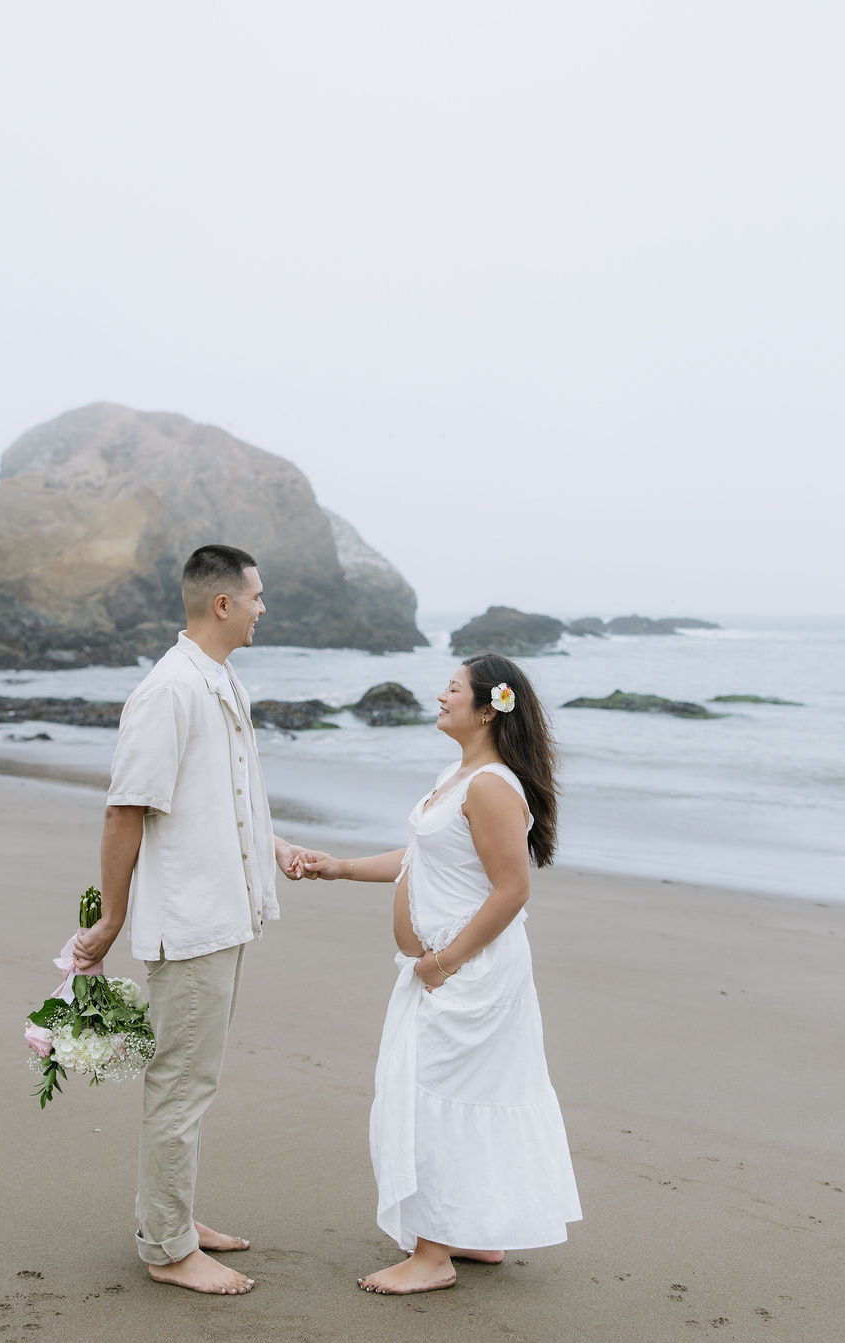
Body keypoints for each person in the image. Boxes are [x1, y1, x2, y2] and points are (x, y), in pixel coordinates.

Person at [298, 653, 582, 1295]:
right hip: (448, 970)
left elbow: (512, 890)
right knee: (461, 1093)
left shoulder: (491, 786)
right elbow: (421, 857)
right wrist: (338, 868)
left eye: (453, 688)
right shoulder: (458, 776)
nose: (440, 695)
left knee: (435, 1098)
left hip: (468, 974)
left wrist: (443, 962)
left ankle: (432, 1256)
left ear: (488, 708)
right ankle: (474, 1232)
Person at [73, 544, 310, 1297]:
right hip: (192, 921)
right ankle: (168, 1247)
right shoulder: (170, 690)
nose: (263, 608)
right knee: (179, 1083)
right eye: (257, 596)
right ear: (222, 605)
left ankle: (173, 1215)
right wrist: (110, 919)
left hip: (228, 913)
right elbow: (124, 809)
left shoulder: (220, 679)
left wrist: (272, 845)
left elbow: (224, 793)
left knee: (194, 1080)